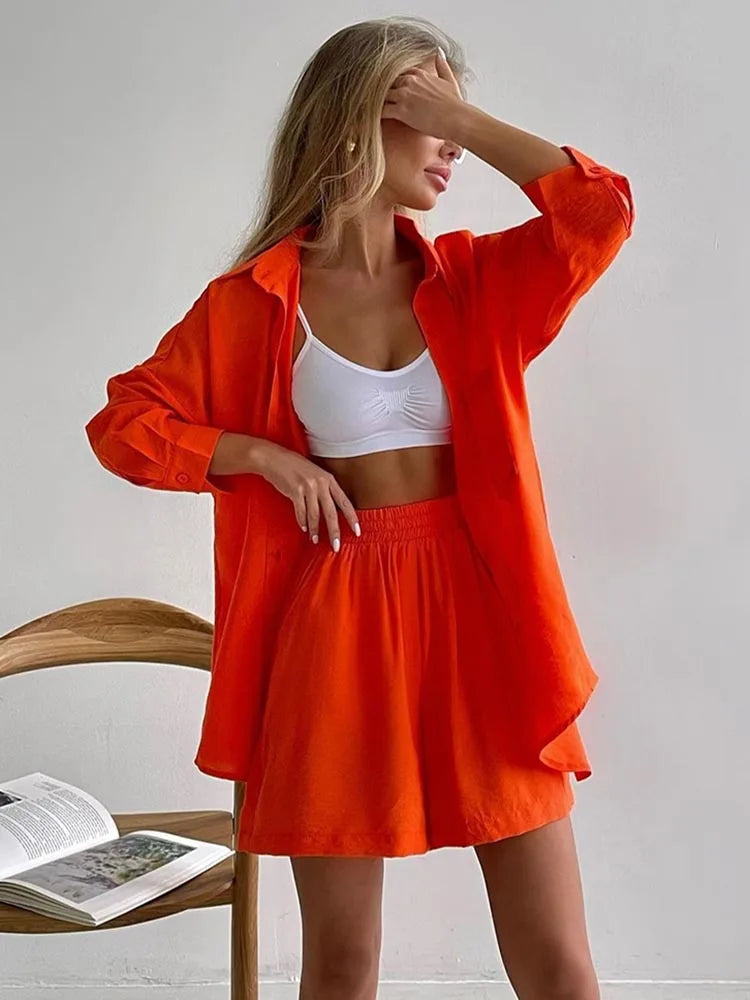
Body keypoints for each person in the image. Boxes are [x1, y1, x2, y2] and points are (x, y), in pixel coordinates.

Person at [85, 16, 634, 1000]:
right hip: (333, 620)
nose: (451, 141)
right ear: (357, 120)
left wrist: (457, 114)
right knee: (342, 964)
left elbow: (598, 214)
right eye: (425, 110)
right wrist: (255, 455)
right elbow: (125, 424)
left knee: (557, 962)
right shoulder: (252, 302)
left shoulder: (477, 281)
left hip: (480, 616)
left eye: (454, 112)